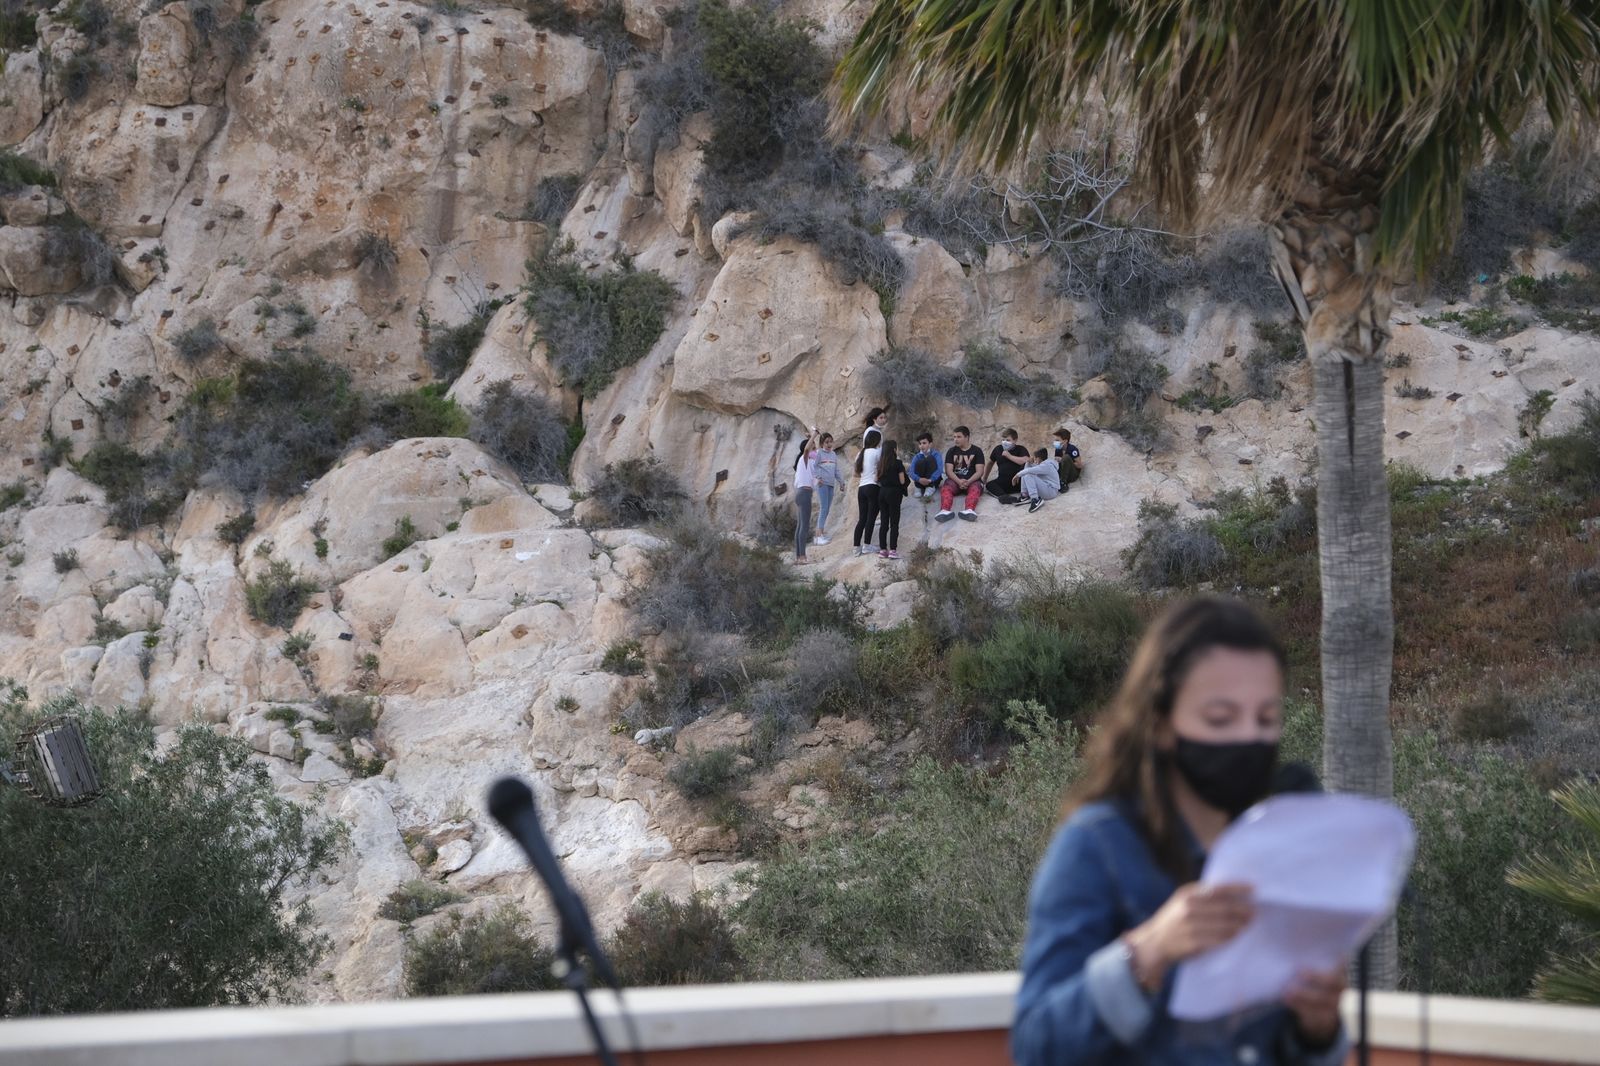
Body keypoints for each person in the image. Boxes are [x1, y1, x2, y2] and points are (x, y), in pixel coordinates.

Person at [1011, 598, 1349, 1066]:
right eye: (1220, 718)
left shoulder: (1276, 849)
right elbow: (1035, 1046)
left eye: (1266, 718)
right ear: (1161, 723)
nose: (1249, 738)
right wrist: (1148, 953)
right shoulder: (1097, 845)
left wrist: (1317, 1030)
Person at [937, 426, 986, 522]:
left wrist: (968, 481)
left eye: (959, 437)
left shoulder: (977, 451)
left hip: (972, 481)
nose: (955, 439)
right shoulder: (951, 451)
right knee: (946, 488)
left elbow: (980, 471)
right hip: (955, 481)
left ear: (967, 437)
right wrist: (959, 481)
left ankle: (969, 510)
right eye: (954, 437)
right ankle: (944, 511)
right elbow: (948, 471)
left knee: (975, 489)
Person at [812, 433, 848, 545]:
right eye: (826, 442)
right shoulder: (818, 453)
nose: (829, 444)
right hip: (822, 485)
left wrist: (841, 482)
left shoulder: (833, 454)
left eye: (830, 441)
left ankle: (821, 533)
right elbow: (813, 466)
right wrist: (818, 478)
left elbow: (836, 470)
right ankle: (818, 536)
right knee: (823, 508)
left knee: (827, 509)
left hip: (831, 484)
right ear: (822, 443)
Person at [875, 439, 908, 559]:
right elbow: (902, 481)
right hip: (894, 493)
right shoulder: (898, 463)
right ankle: (893, 550)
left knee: (884, 522)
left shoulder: (880, 463)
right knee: (894, 523)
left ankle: (883, 550)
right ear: (894, 450)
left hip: (882, 493)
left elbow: (876, 479)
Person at [852, 429, 883, 556]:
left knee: (862, 519)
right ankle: (867, 545)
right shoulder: (876, 452)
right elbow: (883, 469)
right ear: (877, 441)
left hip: (862, 488)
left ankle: (856, 548)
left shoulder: (860, 453)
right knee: (871, 517)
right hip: (873, 486)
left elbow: (855, 473)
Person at [791, 427, 819, 565]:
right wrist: (814, 435)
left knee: (800, 526)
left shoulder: (808, 462)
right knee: (804, 527)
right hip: (805, 494)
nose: (814, 447)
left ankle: (798, 557)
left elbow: (815, 451)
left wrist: (810, 437)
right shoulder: (804, 458)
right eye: (812, 445)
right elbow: (808, 449)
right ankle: (802, 557)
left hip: (801, 493)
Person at [988, 428, 1030, 499]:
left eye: (1008, 440)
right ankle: (1005, 497)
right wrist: (984, 478)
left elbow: (1026, 460)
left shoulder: (1021, 449)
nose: (1005, 442)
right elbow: (990, 463)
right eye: (1003, 440)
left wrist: (1009, 456)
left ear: (1015, 440)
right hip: (1003, 482)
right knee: (989, 485)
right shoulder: (998, 449)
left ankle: (1024, 495)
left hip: (1018, 483)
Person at [1017, 448, 1061, 513]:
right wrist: (1028, 462)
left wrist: (1017, 475)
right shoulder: (1043, 464)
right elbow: (1030, 468)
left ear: (1038, 458)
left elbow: (1029, 471)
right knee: (1027, 469)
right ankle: (1025, 495)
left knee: (1028, 474)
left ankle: (1036, 500)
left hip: (1051, 491)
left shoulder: (1047, 465)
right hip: (1047, 488)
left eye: (1034, 458)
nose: (1033, 459)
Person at [909, 432, 944, 499]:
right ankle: (918, 487)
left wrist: (930, 480)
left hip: (932, 480)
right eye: (920, 444)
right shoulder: (917, 456)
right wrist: (919, 479)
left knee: (930, 458)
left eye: (924, 443)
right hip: (920, 481)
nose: (921, 446)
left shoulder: (936, 454)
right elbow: (911, 472)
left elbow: (940, 469)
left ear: (930, 444)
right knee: (920, 461)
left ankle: (930, 487)